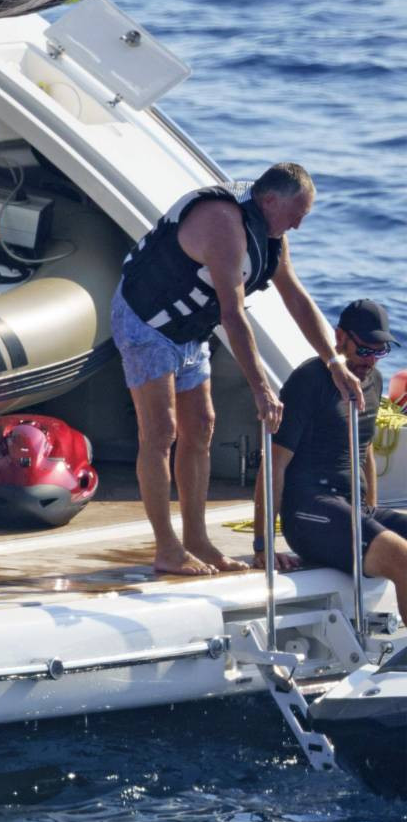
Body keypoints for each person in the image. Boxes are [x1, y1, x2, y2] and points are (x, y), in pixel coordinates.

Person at [112, 164, 365, 576]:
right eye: (296, 215)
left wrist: (333, 361)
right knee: (160, 432)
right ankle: (167, 549)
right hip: (146, 324)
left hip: (190, 330)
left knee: (202, 426)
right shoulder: (223, 224)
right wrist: (261, 389)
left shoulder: (270, 231)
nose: (298, 226)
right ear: (270, 201)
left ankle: (197, 540)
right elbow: (232, 315)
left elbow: (296, 297)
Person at [252, 299, 407, 615]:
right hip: (309, 513)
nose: (370, 361)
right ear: (340, 337)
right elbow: (274, 464)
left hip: (351, 508)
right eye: (363, 350)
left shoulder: (374, 381)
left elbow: (365, 450)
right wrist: (262, 544)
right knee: (401, 557)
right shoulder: (309, 380)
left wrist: (370, 513)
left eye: (379, 352)